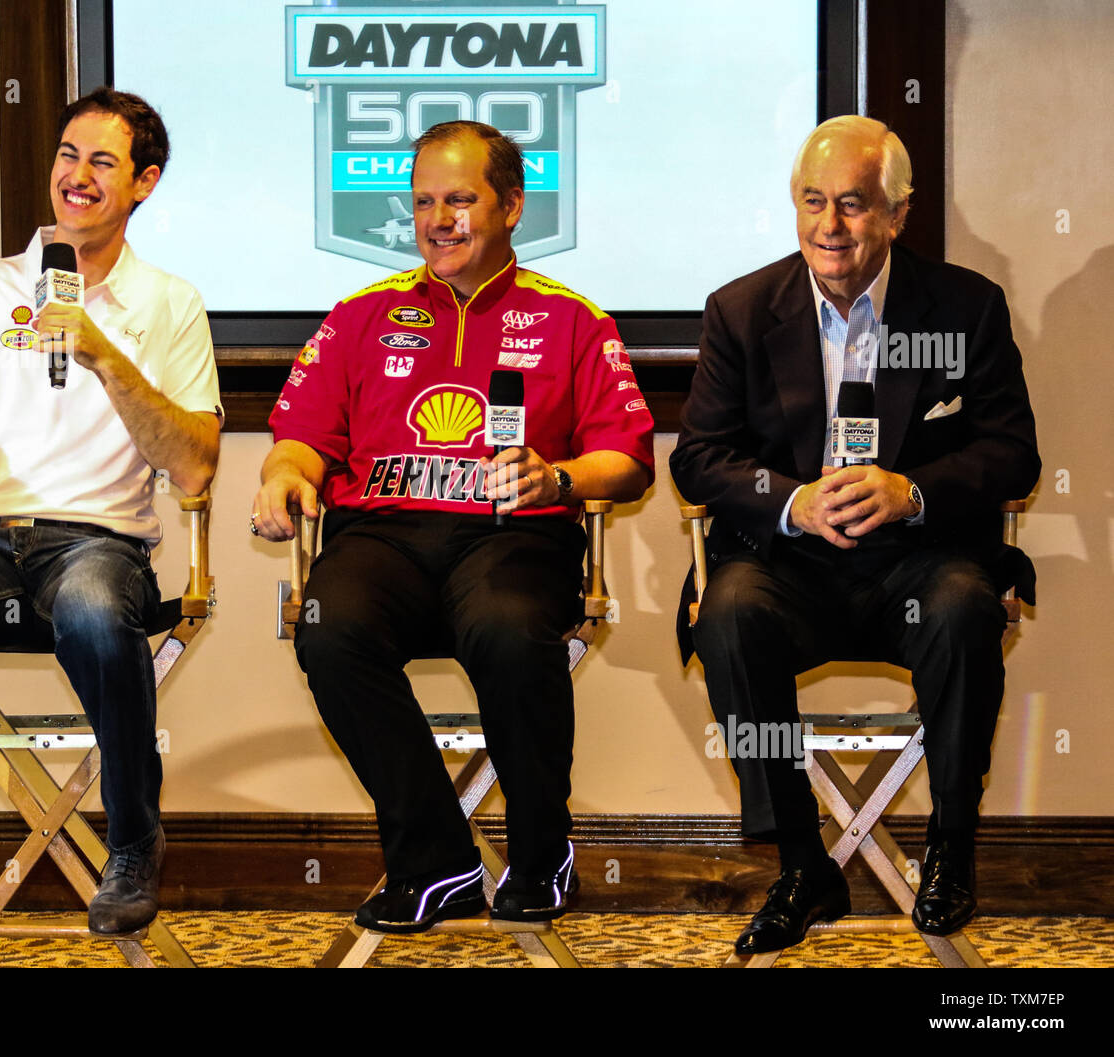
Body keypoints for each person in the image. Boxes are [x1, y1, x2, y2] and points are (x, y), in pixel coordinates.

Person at [254, 121, 653, 932]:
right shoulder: (363, 313)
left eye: (461, 199)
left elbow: (631, 456)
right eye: (425, 202)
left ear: (511, 205)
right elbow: (300, 437)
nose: (440, 219)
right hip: (382, 538)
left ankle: (542, 853)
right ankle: (437, 861)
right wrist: (282, 476)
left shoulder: (573, 318)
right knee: (329, 631)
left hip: (514, 538)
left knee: (508, 630)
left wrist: (561, 475)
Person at [670, 115, 1040, 954]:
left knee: (962, 607)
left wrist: (912, 491)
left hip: (921, 562)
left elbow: (1014, 453)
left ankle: (950, 842)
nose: (829, 228)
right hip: (790, 567)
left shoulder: (965, 307)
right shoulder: (740, 309)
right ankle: (803, 863)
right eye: (812, 203)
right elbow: (698, 460)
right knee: (727, 610)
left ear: (898, 214)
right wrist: (792, 501)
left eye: (853, 205)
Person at [0, 88, 222, 967]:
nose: (76, 176)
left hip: (98, 539)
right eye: (70, 155)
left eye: (103, 162)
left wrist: (102, 350)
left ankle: (133, 844)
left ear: (144, 183)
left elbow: (192, 465)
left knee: (95, 605)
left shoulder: (171, 302)